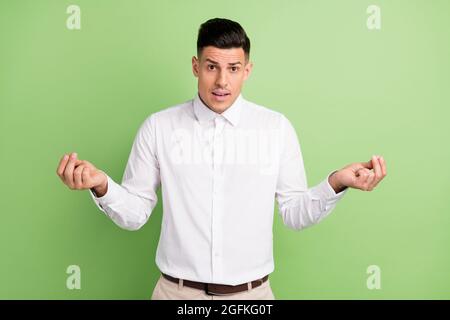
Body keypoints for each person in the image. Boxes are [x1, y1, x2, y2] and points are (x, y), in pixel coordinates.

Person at [56, 18, 387, 300]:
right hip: (177, 293)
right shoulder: (159, 127)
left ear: (248, 70)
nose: (222, 81)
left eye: (233, 68)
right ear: (196, 66)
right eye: (212, 67)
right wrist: (101, 185)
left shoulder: (276, 128)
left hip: (252, 297)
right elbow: (135, 212)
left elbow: (294, 213)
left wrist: (336, 183)